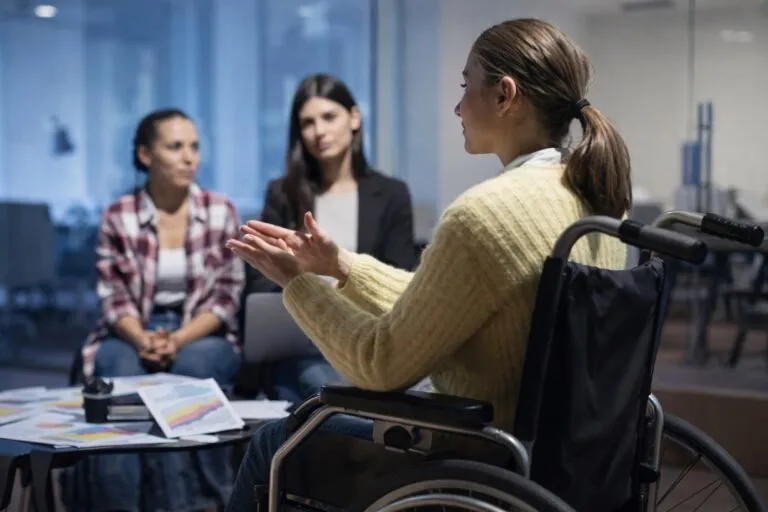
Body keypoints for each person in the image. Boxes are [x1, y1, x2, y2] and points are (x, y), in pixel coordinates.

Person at [224, 18, 631, 511]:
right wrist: (342, 266)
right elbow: (446, 302)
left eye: (465, 85)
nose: (458, 107)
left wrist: (297, 283)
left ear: (504, 95)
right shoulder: (595, 198)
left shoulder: (483, 214)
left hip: (472, 453)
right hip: (563, 456)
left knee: (274, 442)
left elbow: (380, 362)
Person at [64, 108, 245, 512]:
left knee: (191, 373)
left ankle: (193, 505)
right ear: (145, 155)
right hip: (132, 329)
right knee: (117, 372)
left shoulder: (222, 211)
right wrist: (143, 339)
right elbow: (113, 297)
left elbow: (226, 298)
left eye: (194, 147)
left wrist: (176, 340)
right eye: (175, 147)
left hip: (199, 331)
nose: (189, 157)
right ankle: (117, 504)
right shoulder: (118, 215)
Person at [242, 73, 417, 403]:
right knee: (320, 381)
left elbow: (399, 277)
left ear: (354, 118)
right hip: (301, 338)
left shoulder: (391, 194)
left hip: (365, 338)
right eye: (307, 123)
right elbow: (262, 280)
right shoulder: (283, 193)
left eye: (329, 117)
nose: (319, 131)